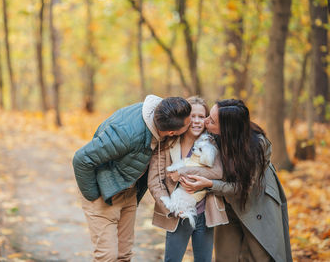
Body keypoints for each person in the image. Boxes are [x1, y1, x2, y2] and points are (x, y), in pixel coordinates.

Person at [72, 95, 192, 262]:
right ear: (172, 132)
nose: (191, 124)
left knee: (124, 255)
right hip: (103, 193)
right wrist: (94, 196)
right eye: (188, 124)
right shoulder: (126, 134)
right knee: (107, 256)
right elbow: (81, 160)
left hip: (128, 191)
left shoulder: (162, 114)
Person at [180, 99, 292, 262]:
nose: (205, 121)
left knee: (259, 256)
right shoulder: (213, 135)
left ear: (226, 129)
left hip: (257, 202)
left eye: (211, 120)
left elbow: (242, 188)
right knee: (225, 256)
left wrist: (209, 184)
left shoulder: (257, 146)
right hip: (227, 204)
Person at [148, 96, 228, 262]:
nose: (197, 121)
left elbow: (217, 173)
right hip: (179, 214)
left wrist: (184, 171)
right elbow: (155, 181)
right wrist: (171, 208)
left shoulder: (210, 143)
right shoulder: (167, 143)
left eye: (202, 116)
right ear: (184, 119)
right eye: (193, 116)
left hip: (206, 213)